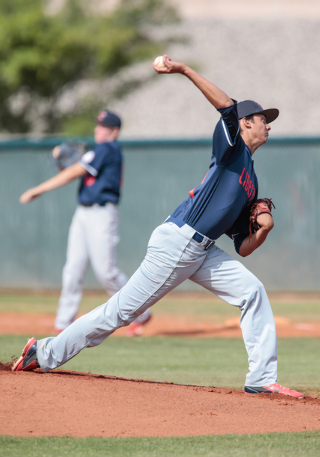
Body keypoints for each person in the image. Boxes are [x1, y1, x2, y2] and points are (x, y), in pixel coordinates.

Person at [13, 56, 303, 399]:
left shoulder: (250, 182)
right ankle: (43, 353)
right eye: (262, 119)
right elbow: (227, 106)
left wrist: (263, 231)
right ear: (245, 123)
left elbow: (242, 245)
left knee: (252, 291)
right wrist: (183, 70)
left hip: (202, 250)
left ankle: (261, 379)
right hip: (179, 243)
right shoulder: (231, 149)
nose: (268, 125)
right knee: (119, 312)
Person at [19, 110, 151, 334]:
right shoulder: (100, 151)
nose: (97, 129)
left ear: (114, 131)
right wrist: (66, 166)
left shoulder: (108, 148)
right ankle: (62, 323)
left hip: (102, 214)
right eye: (97, 125)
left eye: (102, 126)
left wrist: (38, 189)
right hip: (83, 213)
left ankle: (142, 312)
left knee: (106, 272)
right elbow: (75, 170)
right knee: (72, 268)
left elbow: (74, 172)